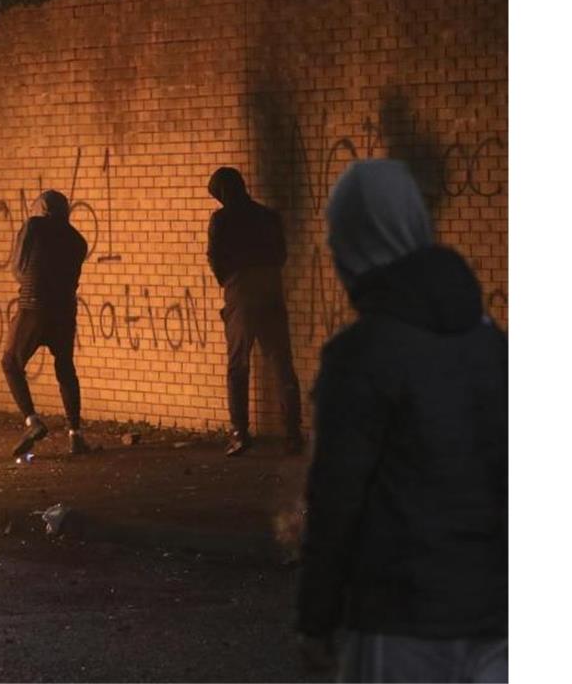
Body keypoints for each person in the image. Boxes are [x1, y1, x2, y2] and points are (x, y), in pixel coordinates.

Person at [296, 160, 508, 682]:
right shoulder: (491, 342)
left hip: (403, 620)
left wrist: (315, 618)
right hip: (500, 615)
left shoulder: (360, 354)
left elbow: (336, 498)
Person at [206, 166, 303, 456]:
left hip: (241, 290)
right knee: (282, 363)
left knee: (238, 365)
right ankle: (293, 433)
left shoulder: (221, 219)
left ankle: (240, 432)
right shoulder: (268, 216)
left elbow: (215, 257)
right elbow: (281, 253)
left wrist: (231, 282)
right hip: (271, 287)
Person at [4, 189, 91, 458]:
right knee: (65, 367)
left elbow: (18, 267)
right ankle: (75, 435)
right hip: (64, 310)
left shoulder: (34, 226)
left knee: (11, 363)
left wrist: (29, 281)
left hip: (33, 306)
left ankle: (33, 421)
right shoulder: (78, 240)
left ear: (42, 208)